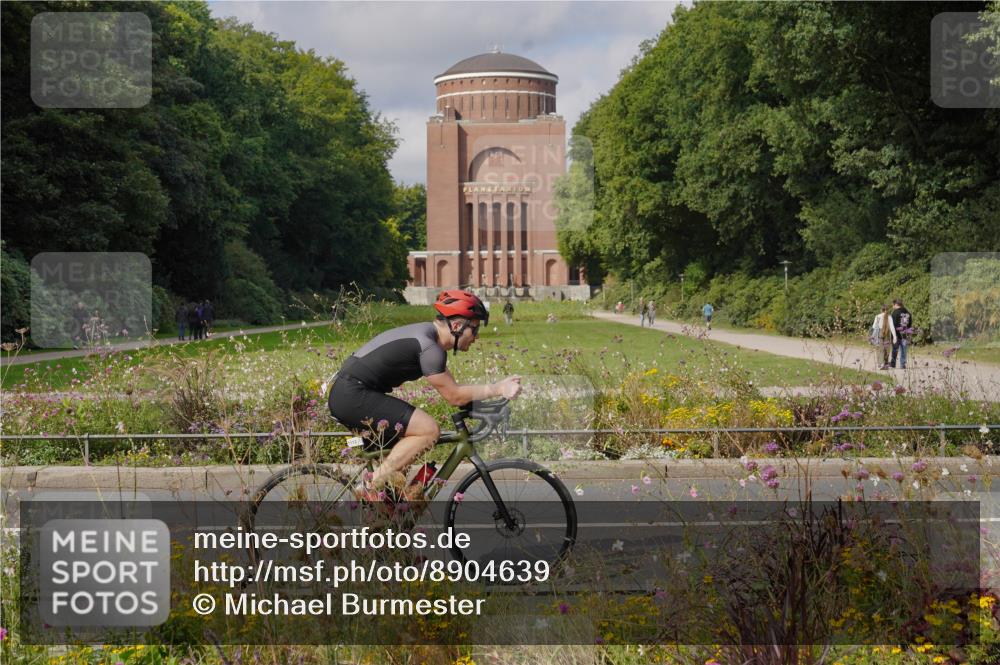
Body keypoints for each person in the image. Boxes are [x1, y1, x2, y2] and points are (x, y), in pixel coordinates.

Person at [328, 290, 522, 502]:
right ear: (457, 326)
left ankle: (384, 525)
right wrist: (497, 388)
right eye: (474, 329)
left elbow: (455, 389)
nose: (476, 337)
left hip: (352, 392)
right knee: (428, 431)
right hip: (353, 393)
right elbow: (454, 396)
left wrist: (485, 402)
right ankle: (369, 486)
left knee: (397, 475)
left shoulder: (430, 341)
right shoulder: (430, 347)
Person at [871, 304, 897, 370]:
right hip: (887, 333)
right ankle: (885, 363)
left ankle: (880, 364)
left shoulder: (877, 316)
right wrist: (894, 336)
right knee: (887, 349)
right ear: (887, 310)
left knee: (879, 349)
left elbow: (874, 327)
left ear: (881, 310)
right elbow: (892, 327)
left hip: (879, 333)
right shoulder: (889, 317)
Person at [889, 298, 912, 369]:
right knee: (904, 350)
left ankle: (893, 364)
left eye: (893, 305)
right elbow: (909, 323)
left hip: (896, 334)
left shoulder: (895, 312)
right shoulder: (907, 312)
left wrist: (893, 335)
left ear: (896, 304)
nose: (892, 306)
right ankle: (903, 364)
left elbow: (893, 324)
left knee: (895, 349)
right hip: (904, 334)